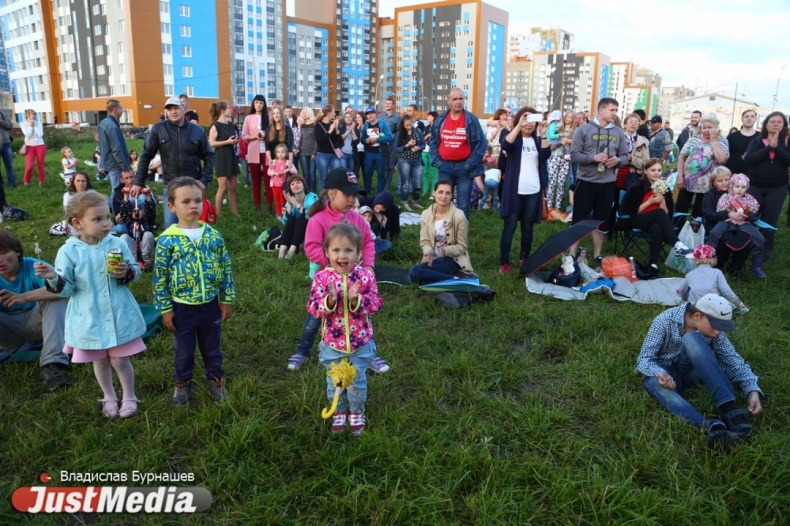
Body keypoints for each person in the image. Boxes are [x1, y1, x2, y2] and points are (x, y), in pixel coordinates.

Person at [36, 190, 145, 418]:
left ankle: (129, 395)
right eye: (97, 219)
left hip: (116, 311)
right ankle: (108, 396)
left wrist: (127, 271)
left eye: (107, 217)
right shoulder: (68, 251)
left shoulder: (116, 243)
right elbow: (67, 289)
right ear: (78, 223)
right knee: (100, 360)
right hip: (88, 314)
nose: (106, 223)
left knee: (119, 358)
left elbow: (134, 270)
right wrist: (52, 277)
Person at [286, 168, 389, 375]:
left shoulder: (357, 218)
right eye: (347, 194)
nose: (352, 200)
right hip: (326, 282)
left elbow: (368, 242)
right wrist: (333, 264)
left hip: (355, 281)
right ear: (331, 193)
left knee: (361, 314)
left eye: (354, 195)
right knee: (315, 317)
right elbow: (311, 247)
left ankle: (368, 354)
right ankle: (303, 351)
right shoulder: (318, 219)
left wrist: (368, 265)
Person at [636, 293, 763, 450]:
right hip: (667, 375)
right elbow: (644, 359)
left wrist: (752, 389)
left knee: (691, 339)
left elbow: (732, 359)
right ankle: (713, 428)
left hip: (692, 372)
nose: (718, 332)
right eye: (716, 326)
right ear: (697, 316)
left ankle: (731, 412)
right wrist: (660, 373)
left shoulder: (713, 332)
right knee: (651, 382)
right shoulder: (663, 321)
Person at [153, 177, 235, 405]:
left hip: (209, 304)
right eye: (186, 201)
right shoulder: (167, 240)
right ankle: (182, 383)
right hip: (182, 306)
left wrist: (226, 300)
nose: (193, 206)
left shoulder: (213, 236)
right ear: (172, 206)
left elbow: (226, 267)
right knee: (184, 350)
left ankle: (216, 380)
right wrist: (166, 309)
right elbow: (160, 277)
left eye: (197, 200)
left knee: (212, 347)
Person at [308, 222, 383, 435]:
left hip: (360, 343)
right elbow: (313, 307)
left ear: (359, 254)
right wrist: (330, 301)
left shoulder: (365, 276)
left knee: (357, 382)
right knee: (336, 381)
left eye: (349, 250)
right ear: (327, 253)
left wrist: (356, 300)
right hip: (332, 344)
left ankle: (357, 411)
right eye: (336, 250)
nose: (343, 255)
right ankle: (339, 411)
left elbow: (377, 303)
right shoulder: (322, 278)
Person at [0, 230, 70, 390]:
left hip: (38, 324)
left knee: (54, 300)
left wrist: (23, 297)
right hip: (7, 331)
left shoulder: (34, 267)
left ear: (17, 251)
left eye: (3, 252)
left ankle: (51, 365)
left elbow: (61, 288)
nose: (0, 259)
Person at [132, 97, 215, 228]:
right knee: (170, 224)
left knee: (195, 223)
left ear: (184, 109)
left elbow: (209, 156)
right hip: (170, 185)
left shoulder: (197, 130)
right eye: (169, 109)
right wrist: (138, 182)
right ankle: (173, 248)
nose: (173, 111)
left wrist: (204, 181)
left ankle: (195, 247)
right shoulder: (158, 129)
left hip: (193, 185)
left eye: (176, 108)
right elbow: (146, 156)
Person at [568, 97, 629, 263]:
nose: (615, 114)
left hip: (607, 184)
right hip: (586, 182)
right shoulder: (583, 130)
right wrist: (593, 157)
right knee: (579, 218)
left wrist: (618, 161)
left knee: (602, 220)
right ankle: (571, 254)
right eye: (612, 110)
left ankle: (597, 255)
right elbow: (573, 155)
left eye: (616, 111)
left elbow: (625, 157)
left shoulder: (618, 133)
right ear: (601, 110)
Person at [495, 107, 551, 274]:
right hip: (514, 192)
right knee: (510, 227)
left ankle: (524, 258)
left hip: (533, 191)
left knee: (528, 227)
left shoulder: (537, 140)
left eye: (532, 121)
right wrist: (518, 126)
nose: (529, 124)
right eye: (526, 120)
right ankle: (504, 262)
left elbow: (546, 154)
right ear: (520, 120)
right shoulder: (513, 138)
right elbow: (504, 144)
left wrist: (544, 133)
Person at [621, 159, 692, 270]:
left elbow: (667, 214)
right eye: (652, 170)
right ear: (645, 171)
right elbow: (630, 212)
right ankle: (676, 244)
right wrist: (650, 202)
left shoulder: (664, 188)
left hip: (654, 222)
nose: (656, 173)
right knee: (658, 213)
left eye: (659, 170)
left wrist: (662, 200)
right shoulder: (637, 187)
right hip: (636, 221)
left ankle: (653, 264)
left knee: (658, 227)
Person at [744, 111, 790, 274]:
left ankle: (765, 251)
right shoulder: (756, 141)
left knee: (770, 220)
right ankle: (745, 247)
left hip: (777, 188)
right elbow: (749, 160)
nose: (776, 124)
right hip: (755, 186)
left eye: (779, 122)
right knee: (750, 218)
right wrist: (768, 147)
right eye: (772, 121)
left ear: (783, 125)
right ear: (766, 124)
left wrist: (777, 148)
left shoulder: (787, 141)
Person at [429, 88, 486, 220]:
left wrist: (469, 164)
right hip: (445, 167)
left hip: (464, 168)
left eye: (461, 98)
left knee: (463, 205)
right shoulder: (441, 119)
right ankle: (443, 234)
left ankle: (461, 237)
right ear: (448, 101)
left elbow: (481, 144)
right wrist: (437, 161)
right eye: (455, 99)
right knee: (443, 202)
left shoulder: (471, 120)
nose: (458, 102)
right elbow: (433, 141)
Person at [409, 180, 474, 284]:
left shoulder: (459, 216)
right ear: (434, 193)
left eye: (448, 193)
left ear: (452, 195)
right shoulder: (426, 214)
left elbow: (462, 246)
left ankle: (455, 280)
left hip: (452, 260)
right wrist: (428, 251)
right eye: (440, 192)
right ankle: (453, 279)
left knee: (415, 272)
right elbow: (424, 240)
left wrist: (445, 250)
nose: (444, 196)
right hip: (432, 259)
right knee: (415, 273)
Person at [675, 113, 729, 226]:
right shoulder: (694, 139)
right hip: (687, 180)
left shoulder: (722, 141)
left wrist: (714, 141)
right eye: (704, 127)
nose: (706, 130)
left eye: (709, 127)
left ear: (716, 128)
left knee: (699, 212)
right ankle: (675, 232)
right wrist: (680, 176)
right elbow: (682, 156)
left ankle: (695, 234)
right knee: (680, 209)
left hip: (706, 185)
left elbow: (722, 159)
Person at [707, 174, 765, 275]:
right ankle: (708, 258)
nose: (739, 190)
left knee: (760, 239)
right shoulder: (726, 197)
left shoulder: (750, 199)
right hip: (727, 221)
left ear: (747, 188)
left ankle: (756, 266)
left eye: (743, 187)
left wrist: (747, 216)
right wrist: (729, 215)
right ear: (732, 186)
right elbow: (720, 210)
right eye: (737, 186)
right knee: (714, 233)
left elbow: (754, 213)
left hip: (744, 223)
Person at [679, 244, 748, 313]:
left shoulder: (690, 274)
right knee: (720, 290)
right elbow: (726, 291)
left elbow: (682, 290)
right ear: (714, 259)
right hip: (713, 307)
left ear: (695, 259)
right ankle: (730, 304)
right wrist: (739, 304)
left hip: (694, 308)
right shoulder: (717, 273)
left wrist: (684, 298)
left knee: (689, 289)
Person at [208, 100, 240, 217]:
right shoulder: (215, 126)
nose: (230, 110)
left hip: (231, 156)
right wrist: (227, 141)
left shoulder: (230, 125)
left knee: (233, 187)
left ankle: (234, 211)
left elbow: (232, 139)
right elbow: (211, 143)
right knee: (222, 187)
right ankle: (218, 213)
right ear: (222, 110)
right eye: (228, 108)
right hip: (221, 156)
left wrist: (235, 141)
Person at [241, 94, 270, 212]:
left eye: (261, 103)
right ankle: (257, 204)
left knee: (269, 179)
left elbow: (273, 134)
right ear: (253, 103)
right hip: (254, 151)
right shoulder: (248, 118)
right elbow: (243, 135)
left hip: (267, 151)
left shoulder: (268, 117)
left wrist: (265, 136)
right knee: (256, 179)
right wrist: (255, 136)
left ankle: (269, 205)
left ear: (264, 105)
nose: (259, 105)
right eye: (257, 102)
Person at [279, 174, 318, 259]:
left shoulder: (313, 198)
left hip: (311, 231)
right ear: (290, 189)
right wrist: (289, 204)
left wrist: (296, 204)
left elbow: (313, 218)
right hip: (295, 232)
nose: (296, 185)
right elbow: (284, 222)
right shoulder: (290, 200)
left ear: (304, 185)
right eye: (292, 184)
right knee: (292, 218)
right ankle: (281, 253)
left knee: (301, 219)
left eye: (298, 182)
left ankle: (291, 252)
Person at [98, 99, 132, 197]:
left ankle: (117, 207)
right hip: (115, 163)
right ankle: (115, 209)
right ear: (115, 110)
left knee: (116, 188)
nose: (122, 111)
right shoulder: (112, 126)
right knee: (117, 190)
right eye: (121, 108)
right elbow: (116, 149)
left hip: (109, 161)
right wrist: (125, 166)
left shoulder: (103, 122)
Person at [546, 110, 576, 212]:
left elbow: (577, 142)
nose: (568, 119)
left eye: (570, 117)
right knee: (552, 181)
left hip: (566, 159)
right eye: (567, 116)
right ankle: (549, 206)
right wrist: (558, 143)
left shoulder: (575, 131)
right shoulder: (558, 127)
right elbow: (549, 138)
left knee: (561, 182)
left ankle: (558, 207)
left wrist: (568, 141)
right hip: (555, 156)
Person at [393, 115, 425, 211]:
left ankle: (415, 202)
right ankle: (405, 202)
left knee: (417, 184)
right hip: (404, 160)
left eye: (410, 124)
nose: (409, 127)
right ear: (403, 125)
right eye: (406, 125)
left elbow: (423, 144)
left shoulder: (418, 131)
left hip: (417, 160)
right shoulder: (399, 134)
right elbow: (396, 149)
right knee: (405, 183)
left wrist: (419, 148)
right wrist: (407, 145)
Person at [361, 107, 393, 194]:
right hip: (369, 153)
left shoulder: (382, 124)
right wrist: (366, 141)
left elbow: (389, 137)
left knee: (380, 174)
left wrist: (377, 139)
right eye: (368, 114)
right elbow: (362, 139)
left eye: (372, 113)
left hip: (380, 153)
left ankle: (380, 194)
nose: (370, 116)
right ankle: (367, 193)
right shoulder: (366, 125)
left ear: (376, 114)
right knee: (367, 173)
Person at [314, 105, 343, 190]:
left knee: (336, 177)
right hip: (322, 155)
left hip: (334, 155)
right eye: (333, 112)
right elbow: (320, 141)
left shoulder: (333, 124)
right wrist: (329, 131)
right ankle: (323, 199)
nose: (335, 114)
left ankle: (335, 198)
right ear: (329, 113)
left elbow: (341, 141)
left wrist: (337, 129)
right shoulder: (318, 125)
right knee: (323, 178)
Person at [268, 143, 297, 220]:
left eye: (282, 152)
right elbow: (269, 172)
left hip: (284, 187)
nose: (280, 154)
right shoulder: (274, 162)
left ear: (286, 153)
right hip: (275, 186)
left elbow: (295, 171)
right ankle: (278, 215)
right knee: (277, 201)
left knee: (283, 202)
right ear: (276, 153)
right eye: (278, 152)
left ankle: (284, 213)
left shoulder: (287, 162)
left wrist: (288, 169)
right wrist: (275, 173)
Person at [378, 97, 401, 191]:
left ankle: (386, 188)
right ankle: (381, 186)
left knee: (390, 167)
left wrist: (393, 136)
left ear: (393, 105)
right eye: (386, 103)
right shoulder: (380, 116)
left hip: (392, 145)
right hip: (382, 144)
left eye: (389, 103)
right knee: (381, 166)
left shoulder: (397, 117)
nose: (387, 105)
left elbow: (399, 131)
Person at [725, 109, 758, 175]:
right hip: (733, 175)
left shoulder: (760, 137)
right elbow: (726, 155)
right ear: (742, 119)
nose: (749, 119)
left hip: (754, 175)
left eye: (752, 116)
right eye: (746, 116)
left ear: (755, 119)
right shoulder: (732, 137)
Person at [21, 109, 46, 186]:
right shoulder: (23, 124)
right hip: (29, 146)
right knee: (29, 166)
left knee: (40, 165)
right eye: (33, 114)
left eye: (35, 114)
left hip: (40, 145)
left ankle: (41, 181)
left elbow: (40, 135)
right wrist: (30, 126)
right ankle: (26, 181)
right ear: (27, 115)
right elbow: (27, 135)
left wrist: (35, 126)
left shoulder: (38, 123)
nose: (34, 116)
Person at [298, 108, 317, 193]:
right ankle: (306, 191)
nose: (304, 114)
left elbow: (317, 140)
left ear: (310, 113)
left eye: (306, 113)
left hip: (313, 152)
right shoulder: (302, 125)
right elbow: (301, 139)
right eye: (303, 113)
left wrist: (314, 152)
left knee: (312, 173)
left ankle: (312, 192)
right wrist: (298, 148)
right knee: (306, 174)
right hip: (303, 153)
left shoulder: (315, 124)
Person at [422, 111, 438, 196]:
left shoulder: (438, 127)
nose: (427, 118)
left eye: (429, 116)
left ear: (434, 117)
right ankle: (425, 190)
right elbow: (423, 138)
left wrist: (430, 136)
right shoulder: (427, 127)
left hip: (434, 153)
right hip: (425, 151)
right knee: (425, 172)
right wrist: (427, 137)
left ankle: (434, 192)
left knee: (434, 173)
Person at [0, 110, 16, 188]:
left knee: (9, 166)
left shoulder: (2, 113)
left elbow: (10, 126)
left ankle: (13, 185)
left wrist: (2, 122)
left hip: (6, 143)